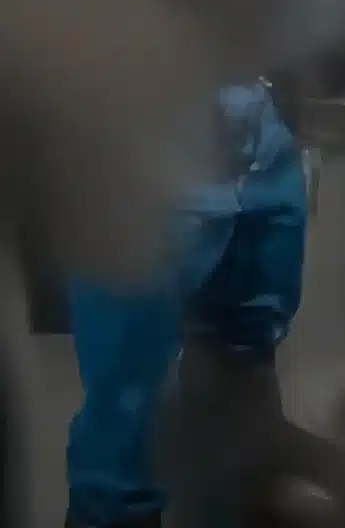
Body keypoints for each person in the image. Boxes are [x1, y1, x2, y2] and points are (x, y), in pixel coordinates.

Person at [63, 82, 306, 528]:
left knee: (245, 358)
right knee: (127, 412)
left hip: (253, 135)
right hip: (135, 153)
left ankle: (242, 493)